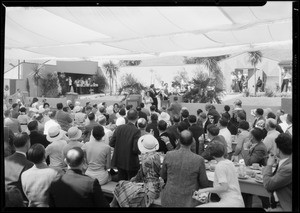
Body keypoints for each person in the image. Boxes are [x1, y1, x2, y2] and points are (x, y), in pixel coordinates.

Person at [161, 130, 210, 207]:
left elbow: (163, 175)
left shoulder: (169, 155)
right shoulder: (198, 159)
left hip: (169, 198)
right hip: (189, 200)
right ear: (192, 142)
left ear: (179, 141)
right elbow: (204, 183)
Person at [110, 134, 162, 207]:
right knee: (126, 184)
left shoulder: (146, 159)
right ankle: (114, 204)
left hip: (148, 191)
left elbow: (140, 175)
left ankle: (113, 204)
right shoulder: (157, 156)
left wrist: (131, 180)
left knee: (121, 183)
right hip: (156, 189)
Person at [196, 142, 245, 207]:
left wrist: (205, 190)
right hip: (238, 201)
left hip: (230, 203)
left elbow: (224, 187)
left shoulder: (220, 166)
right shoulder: (230, 163)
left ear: (212, 155)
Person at [263, 133, 292, 211]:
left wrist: (269, 165)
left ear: (278, 150)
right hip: (277, 203)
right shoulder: (285, 162)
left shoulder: (288, 168)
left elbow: (268, 185)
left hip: (284, 207)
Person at [110, 109, 141, 181]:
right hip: (131, 161)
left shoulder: (119, 128)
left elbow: (111, 143)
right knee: (131, 183)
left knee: (121, 181)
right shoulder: (136, 130)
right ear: (137, 118)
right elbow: (135, 149)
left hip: (119, 159)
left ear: (126, 117)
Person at [5, 133, 34, 202]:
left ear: (14, 145)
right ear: (28, 144)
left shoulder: (5, 159)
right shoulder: (29, 165)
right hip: (19, 200)